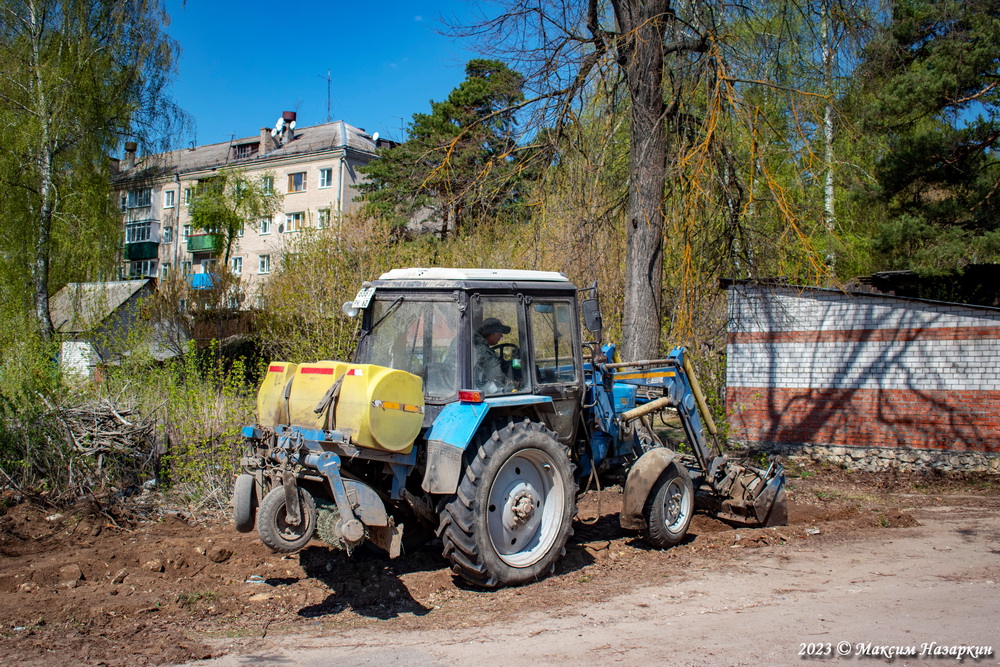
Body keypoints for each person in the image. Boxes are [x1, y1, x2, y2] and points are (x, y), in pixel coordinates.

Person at [473, 317, 511, 391]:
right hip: (476, 389)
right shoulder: (487, 355)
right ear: (491, 336)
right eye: (499, 333)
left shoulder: (464, 341)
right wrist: (513, 386)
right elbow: (499, 378)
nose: (501, 336)